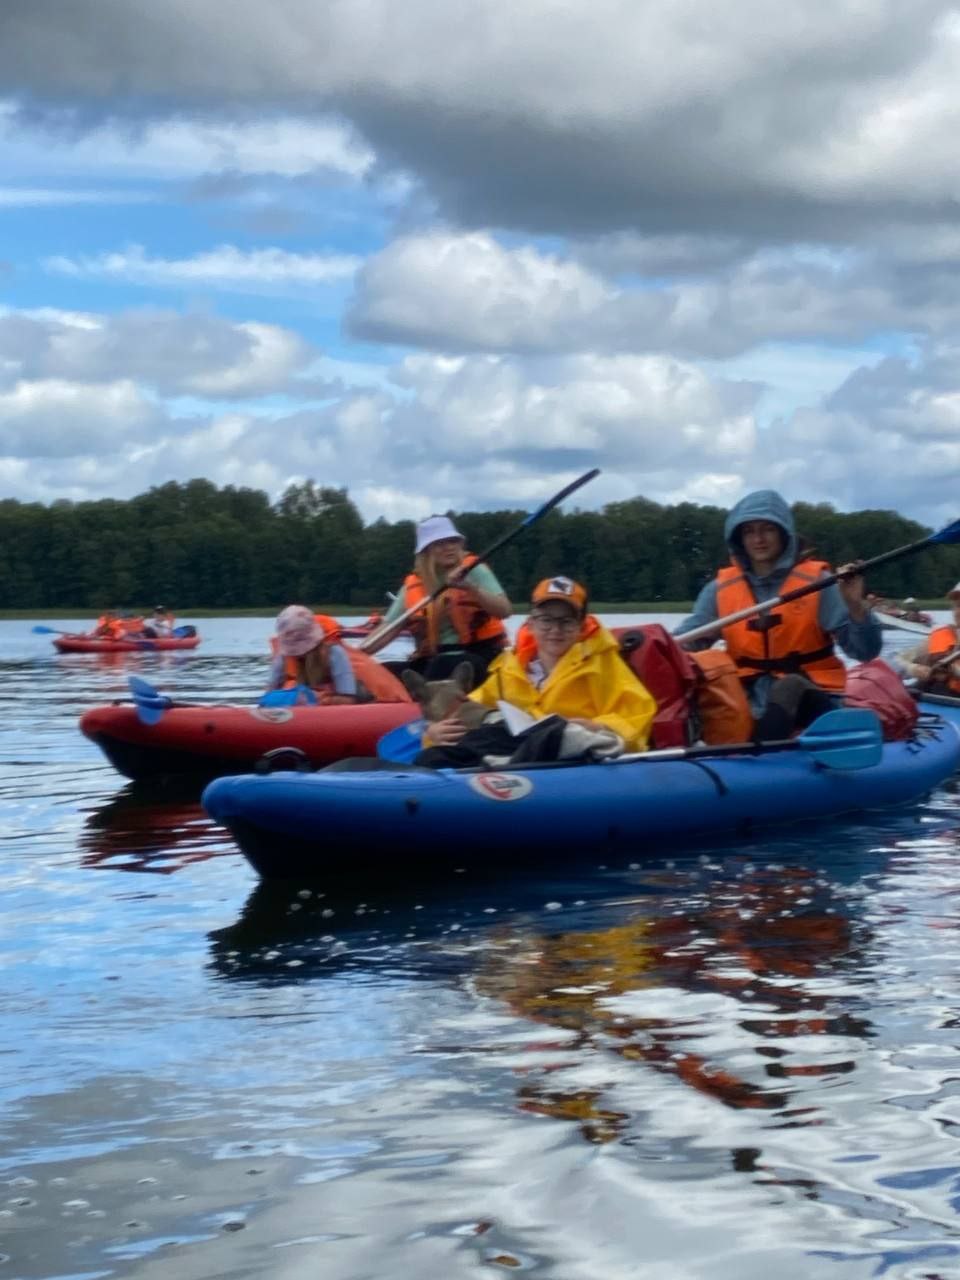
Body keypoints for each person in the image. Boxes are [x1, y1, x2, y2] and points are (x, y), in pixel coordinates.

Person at [674, 490, 882, 740]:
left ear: (784, 533)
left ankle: (759, 755)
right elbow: (687, 641)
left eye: (767, 529)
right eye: (749, 531)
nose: (758, 539)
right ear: (739, 538)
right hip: (746, 699)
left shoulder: (818, 584)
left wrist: (855, 607)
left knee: (790, 686)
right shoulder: (719, 589)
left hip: (814, 699)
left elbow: (865, 652)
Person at [418, 576, 657, 766]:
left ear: (582, 626)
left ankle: (504, 766)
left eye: (566, 621)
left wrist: (595, 725)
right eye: (546, 620)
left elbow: (637, 717)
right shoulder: (510, 668)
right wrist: (433, 735)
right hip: (515, 747)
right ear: (531, 623)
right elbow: (469, 709)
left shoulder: (604, 665)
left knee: (550, 734)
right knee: (437, 756)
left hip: (567, 752)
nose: (555, 629)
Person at [368, 514, 512, 684]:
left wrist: (471, 588)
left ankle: (426, 693)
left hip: (480, 657)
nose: (448, 547)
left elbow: (505, 610)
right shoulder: (413, 585)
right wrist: (354, 655)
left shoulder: (473, 570)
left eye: (453, 541)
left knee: (442, 665)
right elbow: (387, 629)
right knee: (382, 670)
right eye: (440, 543)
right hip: (434, 660)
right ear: (426, 551)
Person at [265, 605, 411, 705]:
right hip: (301, 708)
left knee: (359, 691)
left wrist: (322, 700)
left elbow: (348, 698)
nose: (297, 654)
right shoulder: (283, 658)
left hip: (345, 703)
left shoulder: (334, 654)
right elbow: (268, 695)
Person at [894, 582, 960, 693]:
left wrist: (953, 671)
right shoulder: (942, 636)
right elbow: (897, 662)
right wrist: (913, 669)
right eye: (958, 606)